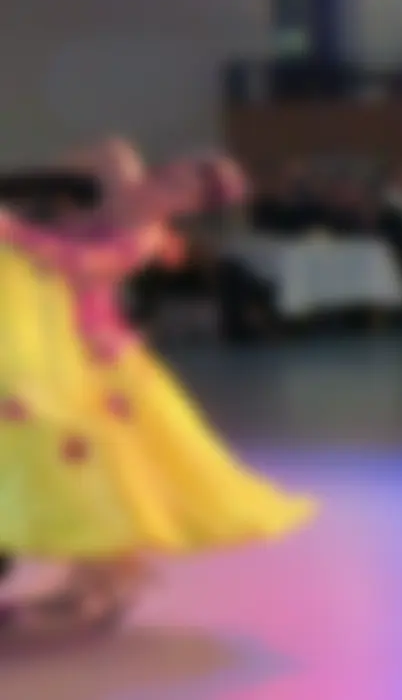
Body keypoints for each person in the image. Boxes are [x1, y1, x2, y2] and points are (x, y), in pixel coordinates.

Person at [0, 140, 315, 642]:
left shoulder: (142, 238)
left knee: (98, 469)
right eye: (189, 168)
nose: (178, 178)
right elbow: (82, 158)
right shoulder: (119, 170)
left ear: (190, 207)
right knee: (57, 462)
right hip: (45, 349)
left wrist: (11, 229)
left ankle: (97, 587)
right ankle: (84, 583)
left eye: (192, 186)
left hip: (96, 364)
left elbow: (66, 260)